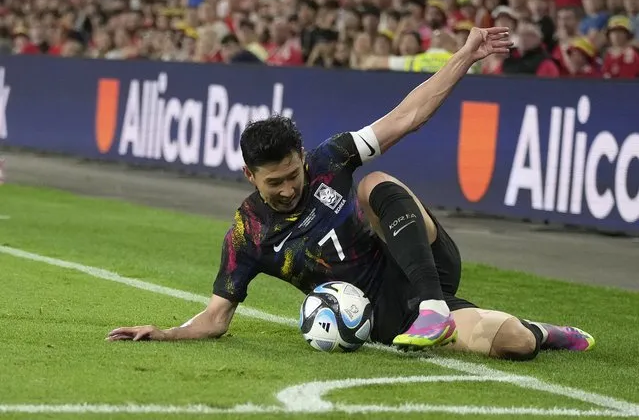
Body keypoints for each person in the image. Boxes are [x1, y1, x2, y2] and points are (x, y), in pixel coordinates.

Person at [107, 27, 595, 360]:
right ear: (248, 176)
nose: (288, 188)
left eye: (293, 174)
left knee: (374, 184)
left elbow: (408, 116)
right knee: (512, 342)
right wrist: (165, 333)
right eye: (273, 182)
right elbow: (217, 317)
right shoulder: (247, 233)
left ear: (302, 156)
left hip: (420, 261)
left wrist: (466, 56)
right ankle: (546, 332)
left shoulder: (330, 159)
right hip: (383, 317)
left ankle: (434, 309)